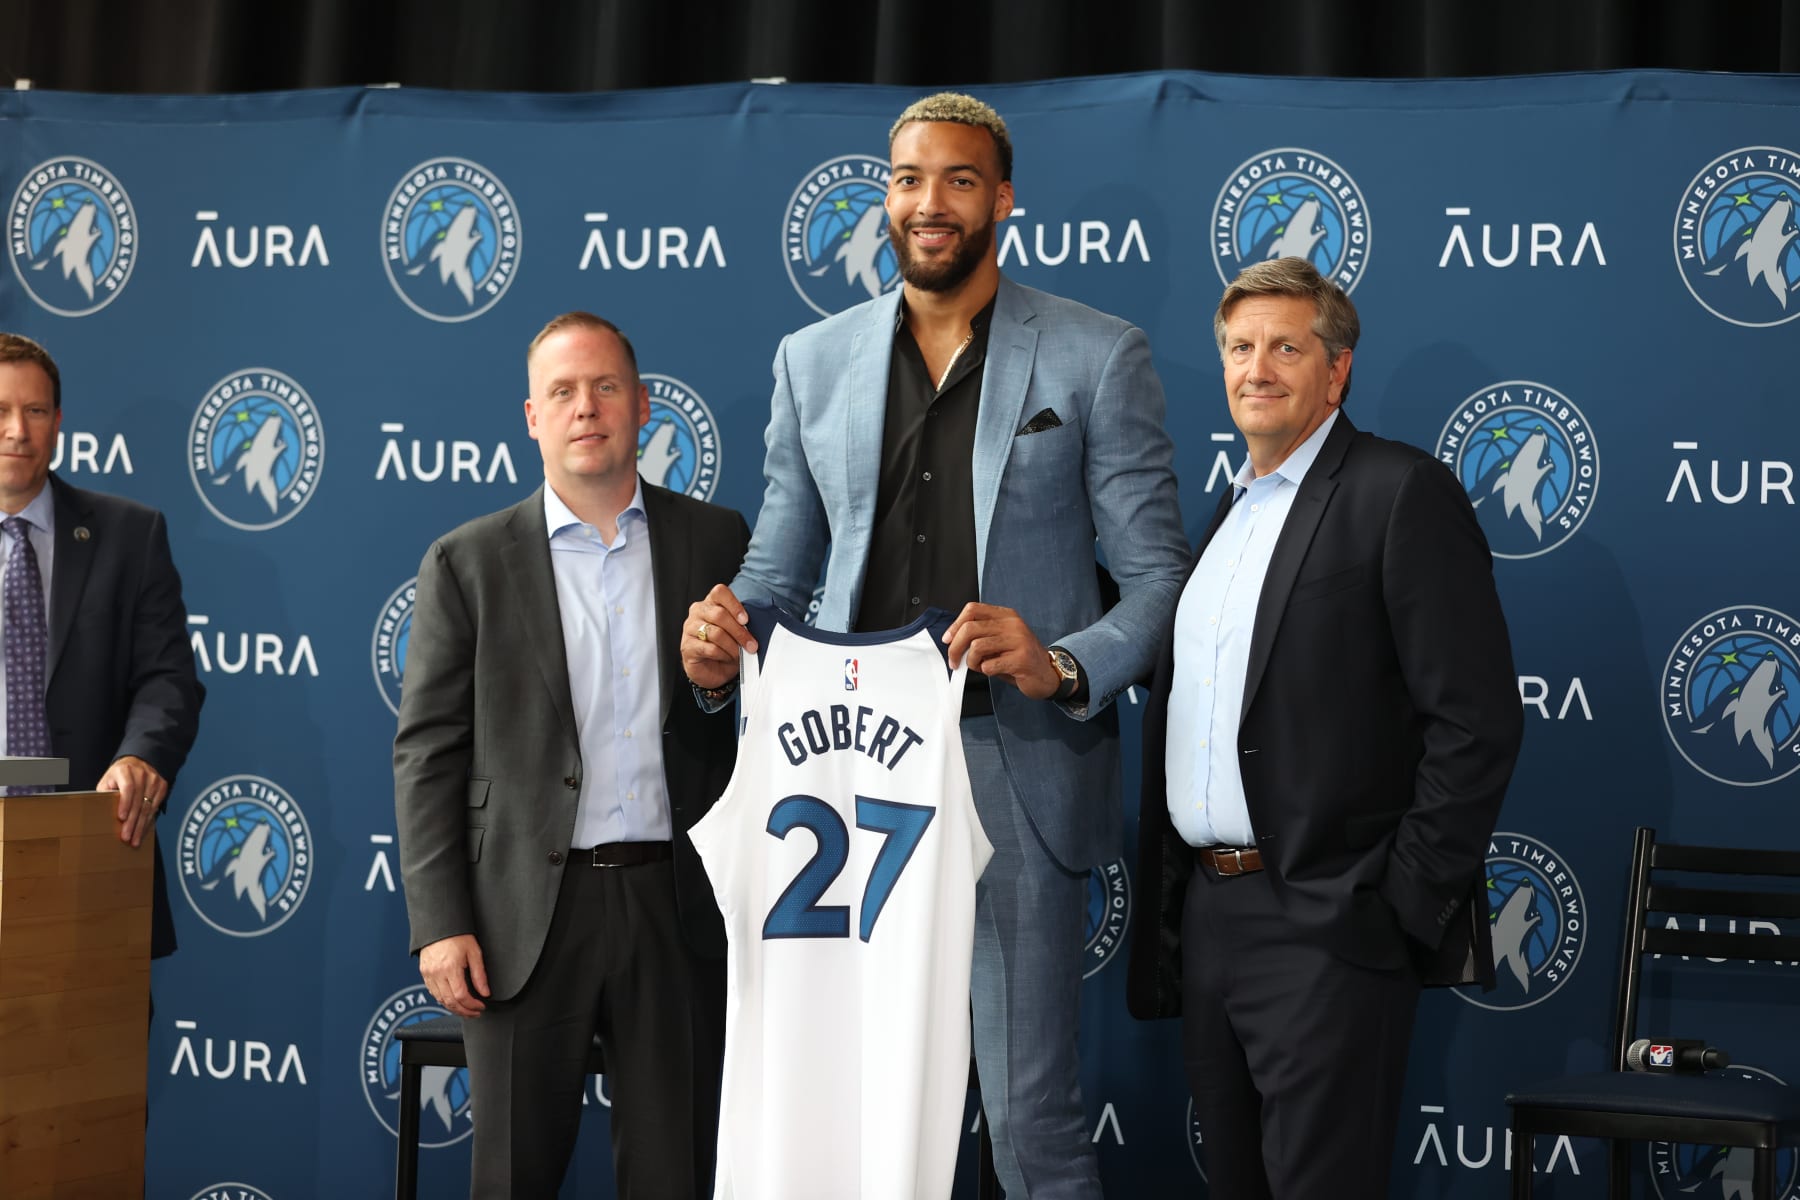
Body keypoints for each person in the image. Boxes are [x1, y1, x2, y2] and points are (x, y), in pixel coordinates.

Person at [682, 93, 1189, 1197]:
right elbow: (775, 574)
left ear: (1003, 199)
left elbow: (1159, 584)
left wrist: (1058, 659)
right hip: (845, 773)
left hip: (1014, 764)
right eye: (910, 179)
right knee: (847, 1107)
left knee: (1030, 1119)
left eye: (960, 180)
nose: (931, 202)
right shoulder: (812, 362)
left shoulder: (1100, 356)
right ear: (887, 195)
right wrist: (723, 642)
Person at [1125, 257, 1524, 1198]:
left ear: (1336, 370)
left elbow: (1476, 723)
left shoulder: (1399, 493)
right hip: (1213, 919)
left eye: (1285, 348)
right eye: (1238, 347)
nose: (1255, 368)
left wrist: (1391, 908)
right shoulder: (1225, 516)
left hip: (1329, 923)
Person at [393, 312, 749, 1199]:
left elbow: (751, 711)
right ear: (531, 416)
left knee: (677, 1174)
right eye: (562, 391)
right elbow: (429, 753)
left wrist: (714, 686)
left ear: (643, 406)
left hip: (677, 905)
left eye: (605, 387)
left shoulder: (716, 542)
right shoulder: (466, 563)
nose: (585, 407)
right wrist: (440, 921)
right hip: (523, 914)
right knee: (513, 1175)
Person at [0, 332, 202, 965]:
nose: (17, 432)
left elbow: (168, 679)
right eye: (1, 411)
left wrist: (141, 758)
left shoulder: (129, 534)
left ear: (58, 423)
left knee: (86, 1058)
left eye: (35, 412)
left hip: (93, 849)